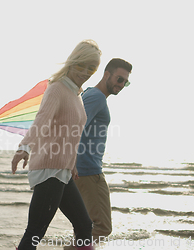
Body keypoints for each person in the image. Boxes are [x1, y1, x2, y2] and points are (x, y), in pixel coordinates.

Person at [11, 39, 101, 250]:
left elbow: (68, 134)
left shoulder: (76, 94)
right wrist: (24, 147)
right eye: (82, 65)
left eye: (92, 68)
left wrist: (72, 164)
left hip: (62, 171)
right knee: (35, 232)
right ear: (72, 62)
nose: (86, 72)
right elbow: (41, 119)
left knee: (84, 225)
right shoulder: (57, 89)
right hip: (49, 170)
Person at [73, 58, 133, 244]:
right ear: (107, 74)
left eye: (126, 81)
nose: (121, 85)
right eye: (119, 79)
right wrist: (72, 163)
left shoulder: (91, 94)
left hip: (83, 170)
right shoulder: (96, 96)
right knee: (102, 227)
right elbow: (76, 127)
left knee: (86, 225)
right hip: (89, 171)